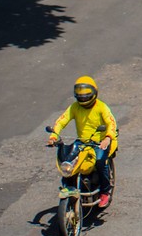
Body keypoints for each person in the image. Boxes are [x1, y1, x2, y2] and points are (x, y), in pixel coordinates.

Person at [46, 76, 118, 208]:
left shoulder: (101, 107)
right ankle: (69, 186)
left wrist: (107, 138)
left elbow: (111, 123)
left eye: (86, 95)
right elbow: (62, 120)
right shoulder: (74, 107)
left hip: (100, 142)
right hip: (82, 143)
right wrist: (53, 136)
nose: (83, 98)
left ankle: (105, 191)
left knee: (100, 162)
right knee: (69, 162)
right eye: (80, 95)